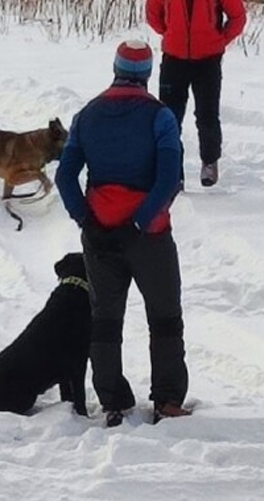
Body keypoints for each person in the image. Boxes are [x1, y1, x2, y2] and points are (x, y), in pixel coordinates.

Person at [55, 39, 190, 427]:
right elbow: (168, 178)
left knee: (105, 317)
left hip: (99, 234)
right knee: (164, 317)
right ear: (147, 73)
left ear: (114, 68)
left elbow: (65, 175)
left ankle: (114, 400)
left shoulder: (87, 115)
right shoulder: (160, 117)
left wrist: (85, 219)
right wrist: (142, 220)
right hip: (149, 235)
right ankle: (167, 400)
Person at [145, 0, 247, 187]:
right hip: (174, 59)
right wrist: (169, 34)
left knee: (207, 115)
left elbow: (238, 16)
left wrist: (219, 39)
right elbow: (153, 15)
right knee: (169, 118)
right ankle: (172, 172)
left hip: (207, 61)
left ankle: (209, 162)